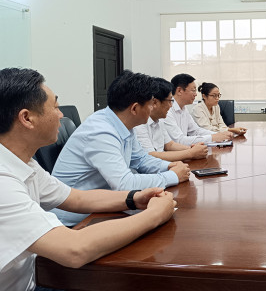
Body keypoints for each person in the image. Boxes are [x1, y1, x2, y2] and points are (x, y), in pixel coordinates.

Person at [0, 68, 176, 291]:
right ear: (27, 118)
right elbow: (74, 250)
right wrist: (154, 214)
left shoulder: (25, 162)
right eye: (55, 107)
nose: (61, 115)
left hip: (37, 273)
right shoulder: (3, 180)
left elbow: (77, 198)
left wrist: (134, 198)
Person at [51, 70, 190, 227]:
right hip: (75, 221)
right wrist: (171, 176)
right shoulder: (100, 131)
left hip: (103, 207)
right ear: (135, 109)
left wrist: (169, 166)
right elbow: (124, 184)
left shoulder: (124, 124)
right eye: (151, 104)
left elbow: (141, 159)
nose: (152, 108)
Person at [134, 77, 208, 161]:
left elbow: (169, 144)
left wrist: (191, 149)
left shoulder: (160, 120)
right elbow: (151, 156)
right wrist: (190, 153)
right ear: (155, 102)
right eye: (169, 101)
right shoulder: (139, 123)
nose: (171, 105)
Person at [164, 73, 233, 145]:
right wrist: (213, 137)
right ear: (179, 91)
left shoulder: (184, 109)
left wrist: (219, 135)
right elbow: (179, 140)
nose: (196, 94)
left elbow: (195, 131)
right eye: (193, 90)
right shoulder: (167, 110)